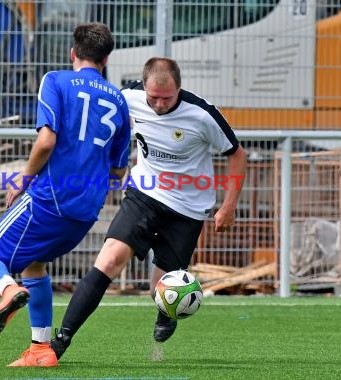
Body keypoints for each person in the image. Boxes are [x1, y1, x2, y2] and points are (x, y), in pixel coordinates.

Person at [50, 57, 248, 359]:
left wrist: (229, 205)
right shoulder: (128, 98)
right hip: (144, 192)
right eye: (153, 97)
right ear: (144, 86)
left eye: (167, 98)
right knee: (110, 259)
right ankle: (61, 340)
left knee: (160, 288)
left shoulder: (202, 114)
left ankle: (167, 310)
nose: (159, 104)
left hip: (188, 208)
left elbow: (237, 155)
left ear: (179, 89)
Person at [0, 22, 130, 368]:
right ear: (106, 59)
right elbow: (119, 169)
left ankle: (9, 292)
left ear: (72, 53)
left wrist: (24, 180)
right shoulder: (119, 99)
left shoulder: (56, 80)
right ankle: (41, 350)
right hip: (86, 210)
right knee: (34, 264)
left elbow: (46, 141)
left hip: (49, 197)